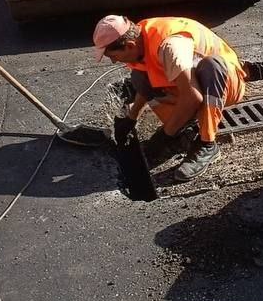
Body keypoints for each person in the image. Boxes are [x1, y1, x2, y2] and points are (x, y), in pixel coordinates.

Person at [94, 15, 245, 182]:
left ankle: (207, 144)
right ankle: (181, 125)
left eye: (113, 56)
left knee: (211, 66)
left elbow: (193, 97)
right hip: (190, 83)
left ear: (129, 46)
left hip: (224, 85)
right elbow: (147, 76)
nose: (114, 61)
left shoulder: (170, 47)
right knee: (139, 76)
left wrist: (164, 136)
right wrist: (131, 117)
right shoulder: (140, 39)